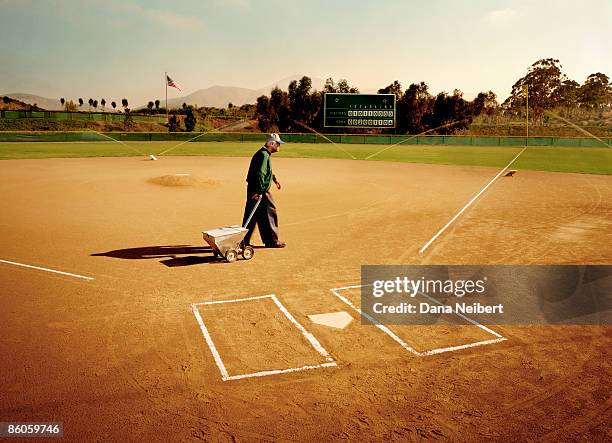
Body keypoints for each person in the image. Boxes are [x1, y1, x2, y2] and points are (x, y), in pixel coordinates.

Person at [242, 133, 286, 248]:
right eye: (278, 144)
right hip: (259, 190)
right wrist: (259, 191)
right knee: (269, 212)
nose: (279, 146)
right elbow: (260, 174)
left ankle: (244, 241)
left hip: (254, 189)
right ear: (271, 143)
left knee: (254, 215)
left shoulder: (263, 154)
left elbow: (266, 171)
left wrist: (274, 179)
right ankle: (272, 241)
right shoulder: (263, 155)